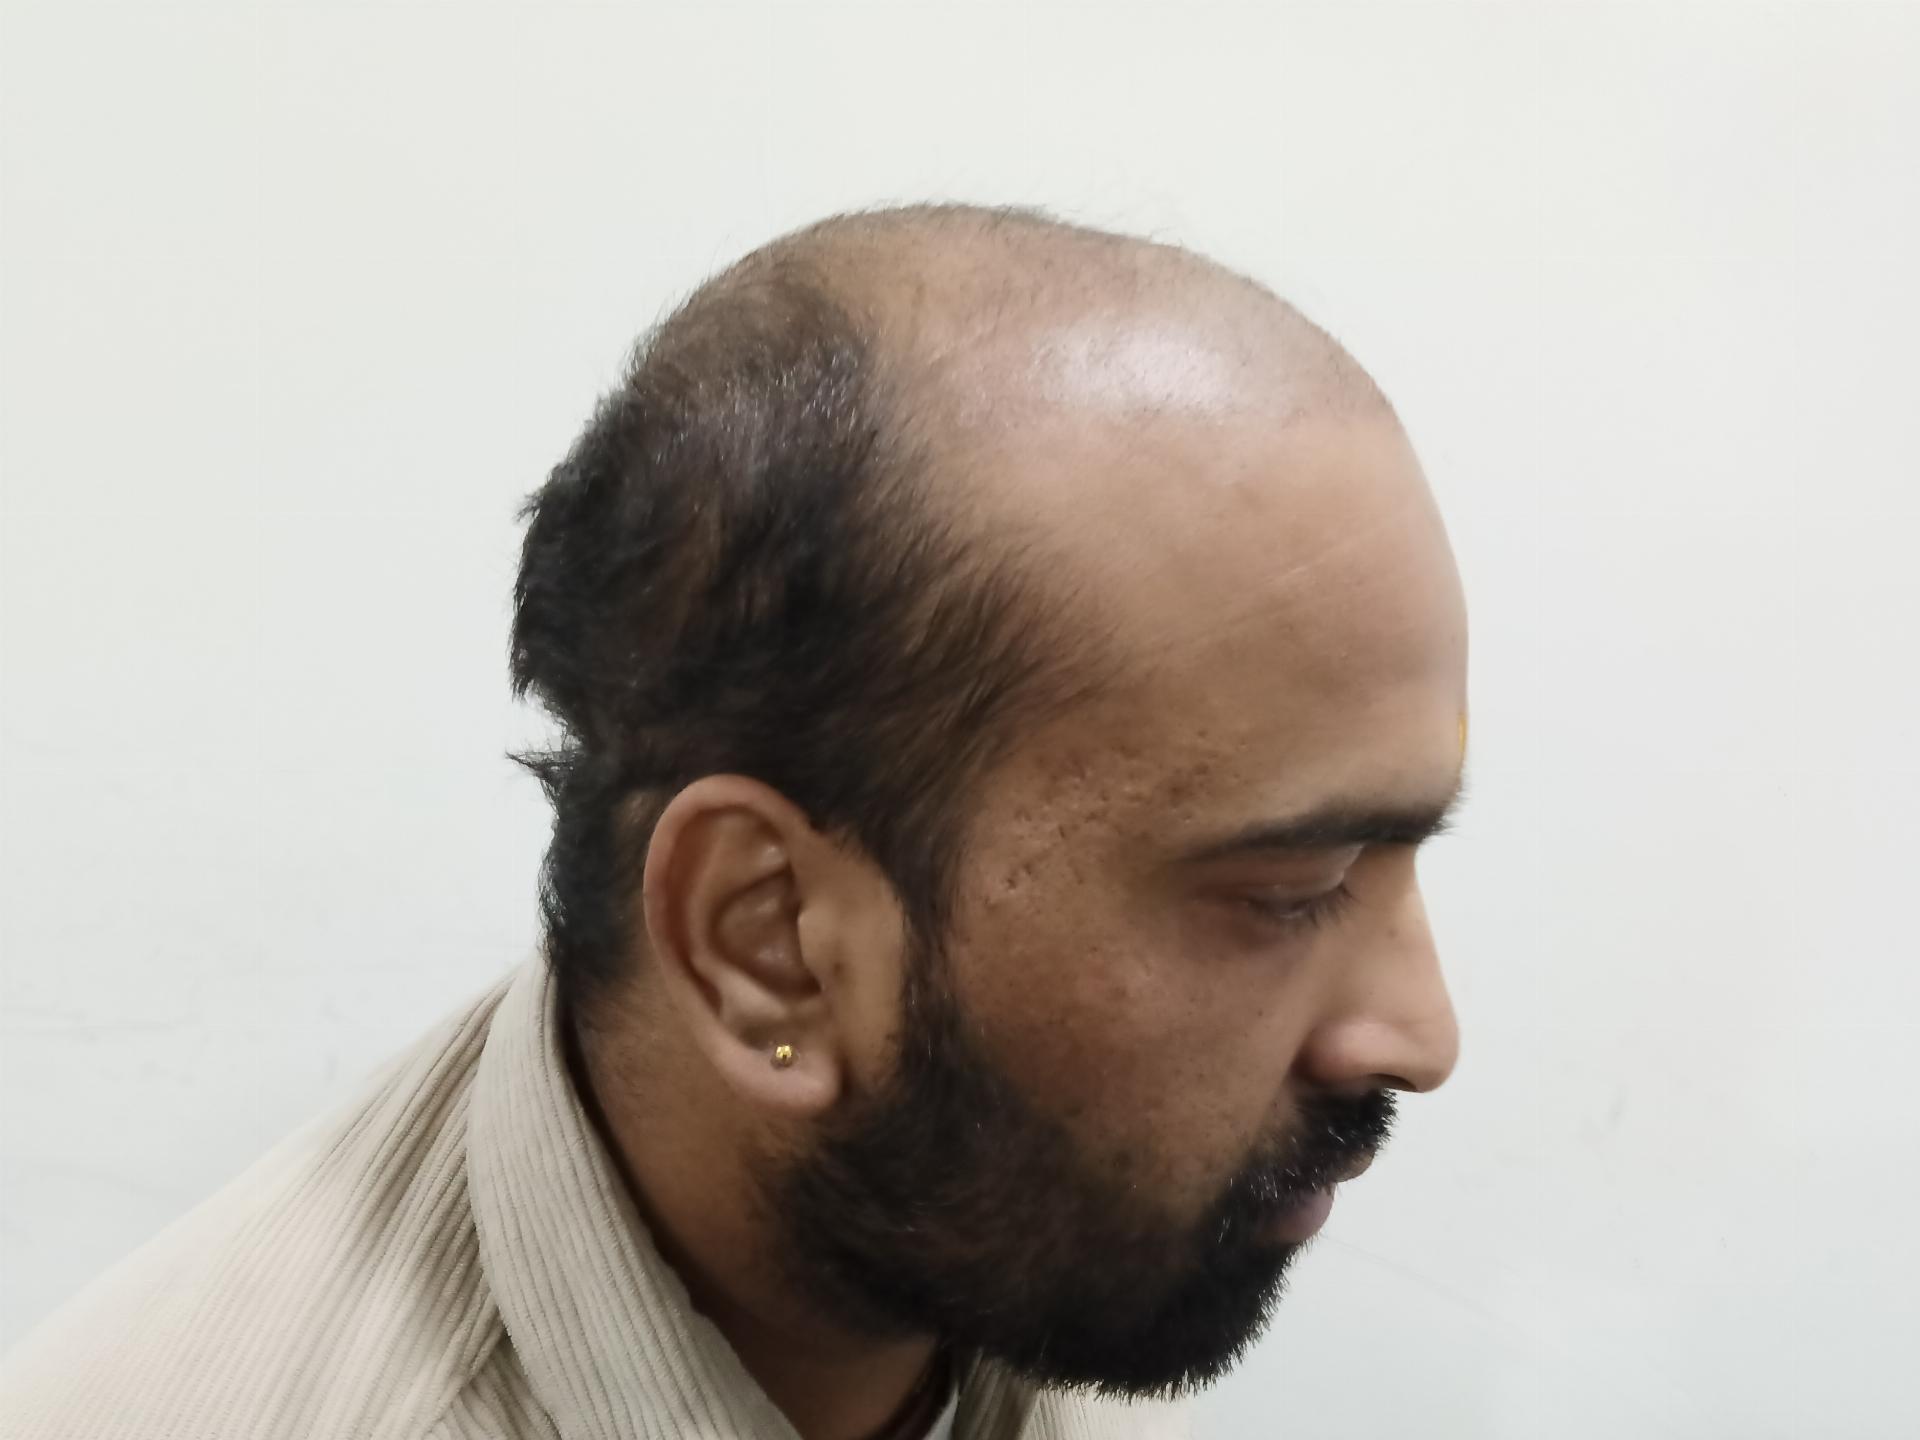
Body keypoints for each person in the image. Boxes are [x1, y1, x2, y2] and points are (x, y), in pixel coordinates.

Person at [0, 204, 1467, 1440]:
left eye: (1402, 861)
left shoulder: (1025, 1224)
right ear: (768, 944)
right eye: (1290, 891)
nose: (1422, 1035)